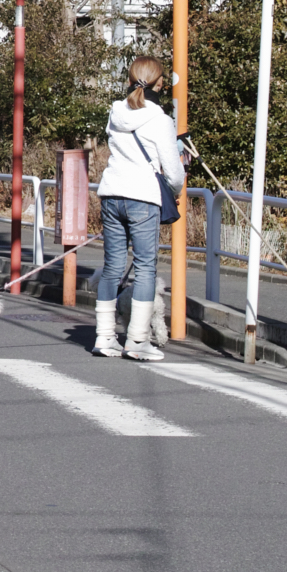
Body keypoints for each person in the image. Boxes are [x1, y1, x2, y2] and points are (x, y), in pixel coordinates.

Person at [92, 54, 186, 361]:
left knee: (113, 267)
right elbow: (173, 172)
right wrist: (174, 190)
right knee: (145, 268)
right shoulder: (160, 120)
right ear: (160, 83)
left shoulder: (116, 111)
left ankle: (105, 337)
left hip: (111, 193)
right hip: (142, 198)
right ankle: (136, 340)